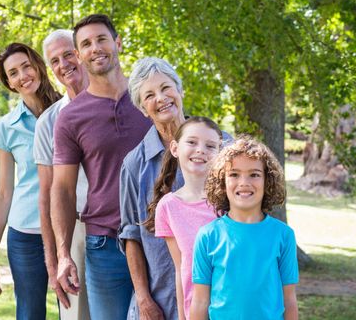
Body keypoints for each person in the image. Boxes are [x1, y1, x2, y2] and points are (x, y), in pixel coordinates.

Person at [51, 14, 152, 320]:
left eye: (101, 39)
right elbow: (63, 189)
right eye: (86, 44)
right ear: (79, 55)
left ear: (117, 43)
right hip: (105, 245)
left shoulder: (151, 98)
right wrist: (63, 254)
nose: (95, 48)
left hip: (159, 239)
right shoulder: (71, 118)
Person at [118, 57, 231, 319]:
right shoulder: (135, 164)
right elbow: (130, 235)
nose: (161, 98)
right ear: (143, 109)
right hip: (162, 299)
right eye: (149, 95)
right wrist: (144, 300)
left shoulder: (222, 145)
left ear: (180, 91)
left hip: (222, 296)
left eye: (166, 88)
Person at [0, 42, 62, 320]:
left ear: (38, 66)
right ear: (9, 82)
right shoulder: (6, 127)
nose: (23, 75)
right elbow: (5, 191)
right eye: (13, 72)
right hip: (26, 235)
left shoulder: (70, 110)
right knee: (30, 314)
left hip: (70, 228)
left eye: (26, 66)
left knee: (77, 312)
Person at [190, 136, 299, 320]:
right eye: (234, 174)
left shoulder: (283, 235)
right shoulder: (208, 235)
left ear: (267, 181)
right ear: (222, 182)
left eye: (254, 174)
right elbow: (200, 301)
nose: (244, 182)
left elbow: (289, 299)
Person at [33, 29, 90, 319]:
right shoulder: (48, 122)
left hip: (123, 229)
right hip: (74, 230)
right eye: (55, 60)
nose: (63, 64)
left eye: (69, 54)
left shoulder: (125, 103)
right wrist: (54, 260)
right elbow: (46, 196)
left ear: (82, 53)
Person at [148, 117, 222, 319]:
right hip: (195, 310)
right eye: (192, 142)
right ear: (174, 148)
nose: (201, 150)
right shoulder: (168, 207)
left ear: (220, 154)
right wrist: (182, 315)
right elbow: (181, 268)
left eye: (210, 146)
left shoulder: (228, 202)